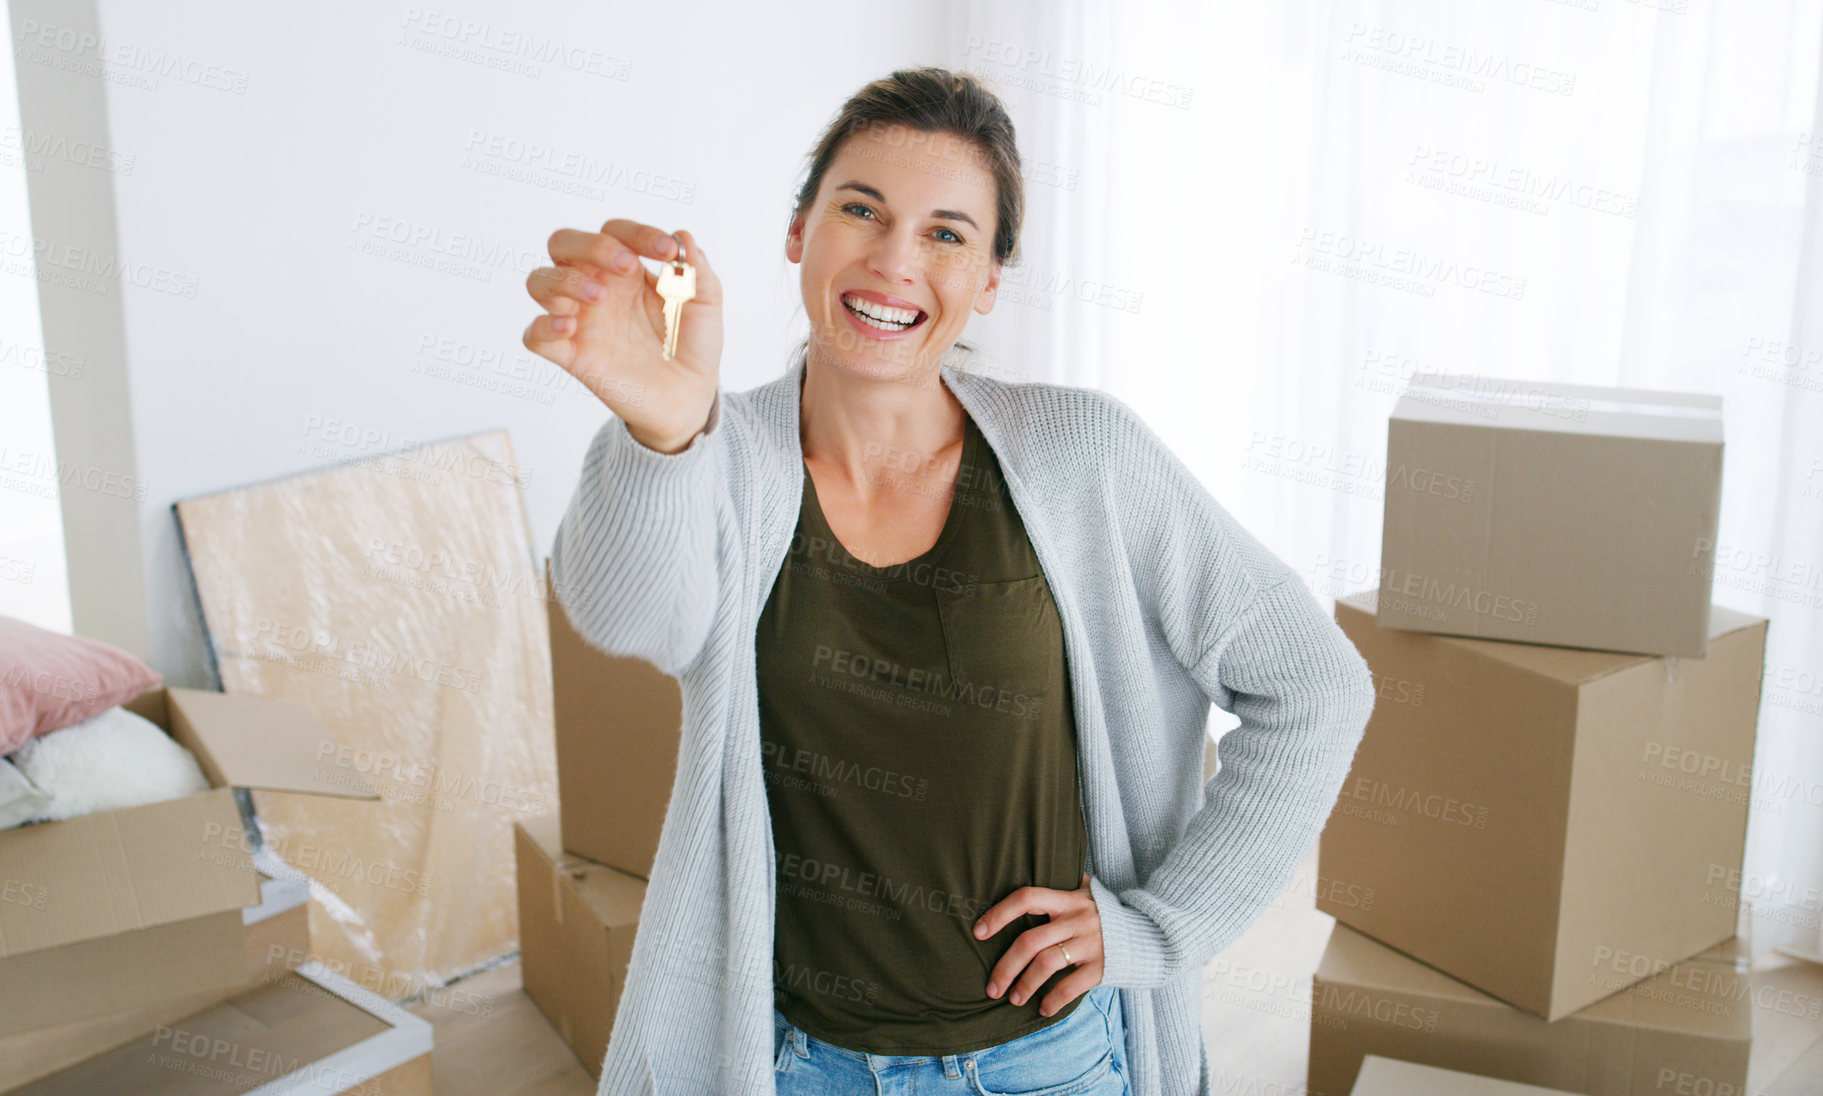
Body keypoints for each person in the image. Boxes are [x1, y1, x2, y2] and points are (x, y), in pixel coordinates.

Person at [525, 67, 1375, 1096]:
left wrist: (1162, 925)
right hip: (796, 1064)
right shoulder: (726, 455)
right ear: (798, 230)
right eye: (860, 209)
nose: (893, 261)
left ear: (989, 278)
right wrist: (661, 429)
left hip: (1047, 1063)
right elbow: (623, 615)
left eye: (945, 233)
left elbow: (1315, 684)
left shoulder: (1081, 457)